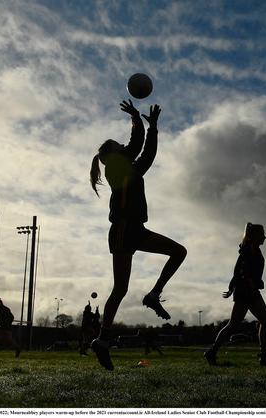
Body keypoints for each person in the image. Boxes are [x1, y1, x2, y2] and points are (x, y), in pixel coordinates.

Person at [89, 100, 187, 370]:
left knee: (179, 251)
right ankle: (103, 341)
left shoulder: (128, 168)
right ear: (113, 153)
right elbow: (137, 148)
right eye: (119, 146)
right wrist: (137, 121)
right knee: (120, 289)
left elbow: (146, 155)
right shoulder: (116, 168)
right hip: (122, 230)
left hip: (135, 229)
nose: (123, 147)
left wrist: (152, 127)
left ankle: (154, 294)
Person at [204, 223, 266, 366]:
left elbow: (239, 270)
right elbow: (241, 270)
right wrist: (249, 283)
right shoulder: (248, 250)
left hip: (248, 291)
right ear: (255, 236)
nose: (265, 236)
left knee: (241, 324)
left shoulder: (252, 250)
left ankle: (212, 352)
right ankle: (263, 357)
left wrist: (236, 286)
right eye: (262, 234)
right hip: (247, 292)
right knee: (258, 322)